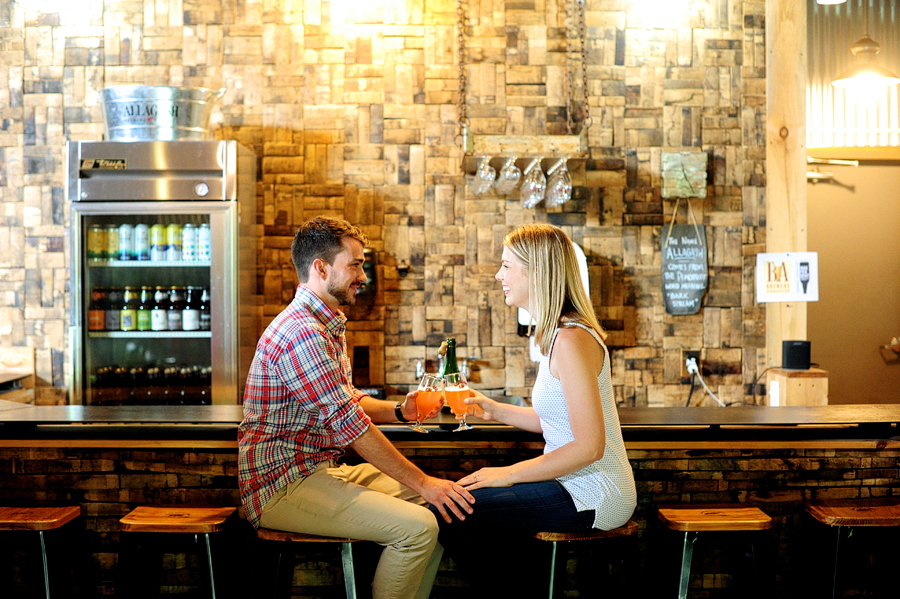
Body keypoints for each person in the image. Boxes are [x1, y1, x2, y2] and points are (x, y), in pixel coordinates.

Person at [238, 216, 474, 599]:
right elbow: (351, 425)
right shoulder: (303, 333)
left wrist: (401, 411)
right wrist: (424, 483)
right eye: (355, 264)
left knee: (443, 516)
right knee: (418, 528)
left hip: (321, 472)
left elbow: (348, 399)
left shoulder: (325, 324)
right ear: (321, 268)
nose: (362, 275)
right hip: (282, 487)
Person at [433, 223, 637, 598]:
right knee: (460, 505)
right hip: (571, 483)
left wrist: (508, 474)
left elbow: (589, 446)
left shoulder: (571, 340)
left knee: (451, 510)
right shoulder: (556, 334)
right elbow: (559, 422)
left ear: (537, 272)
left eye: (507, 265)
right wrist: (494, 410)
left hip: (594, 491)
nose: (499, 275)